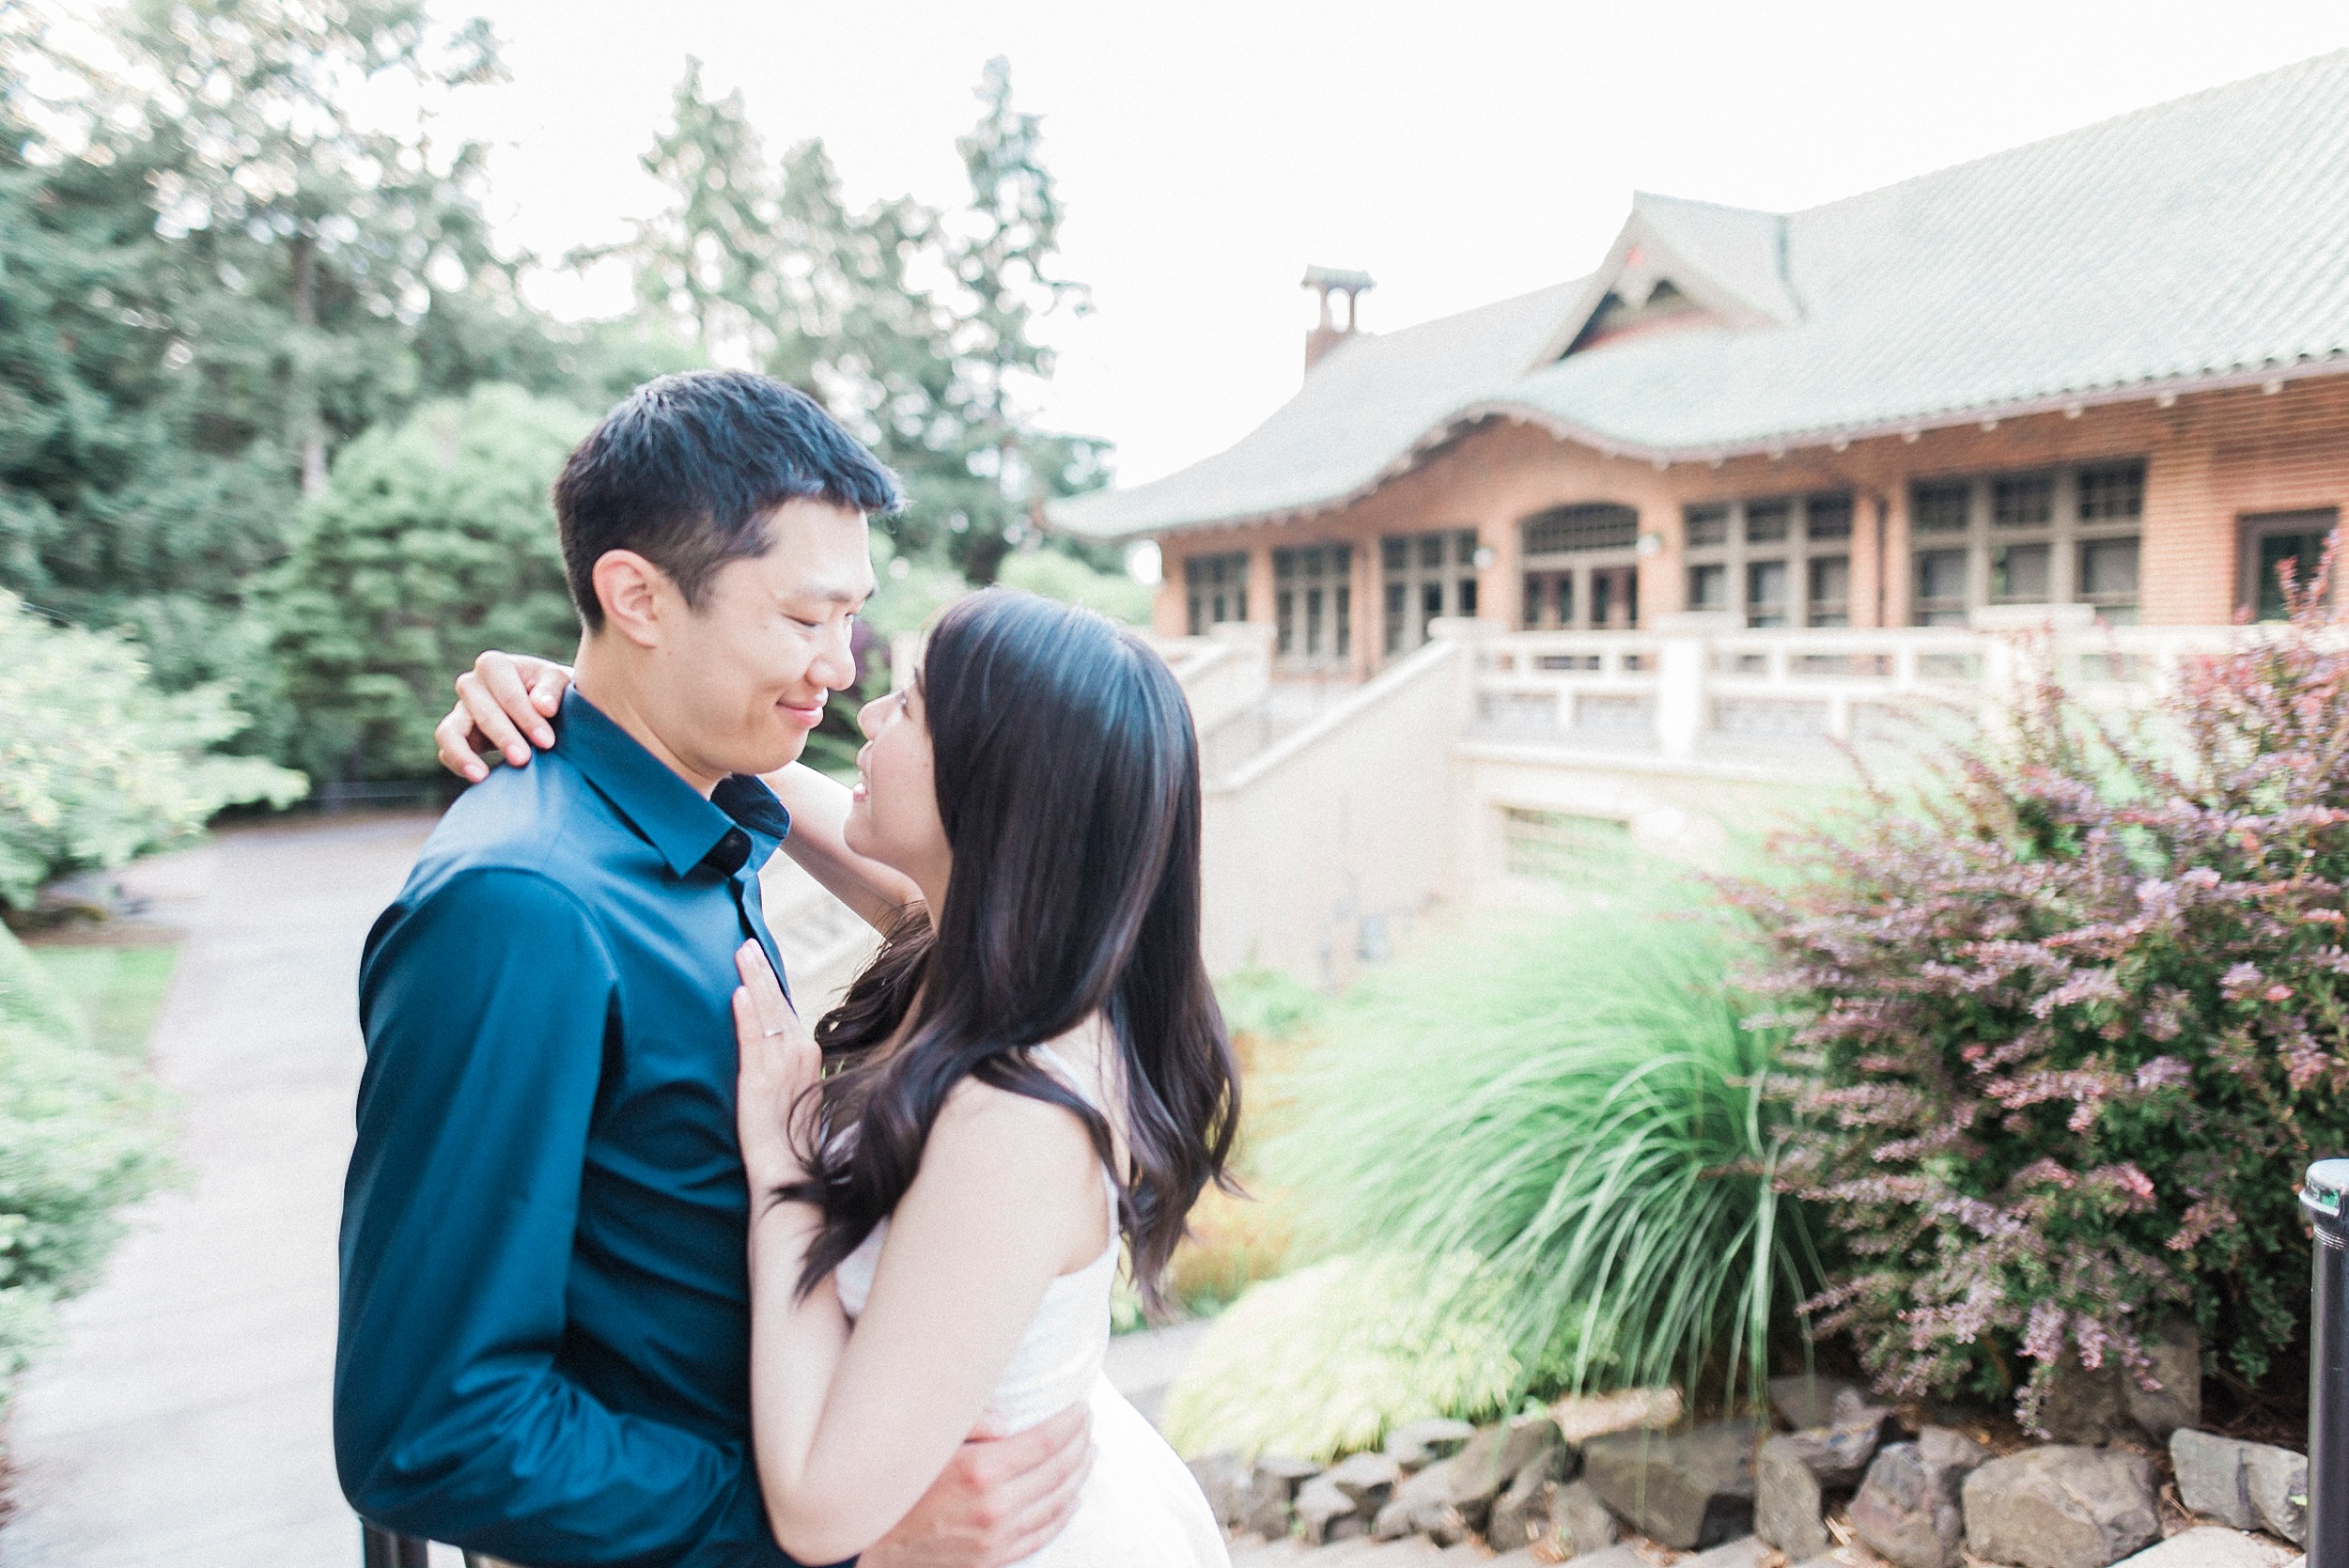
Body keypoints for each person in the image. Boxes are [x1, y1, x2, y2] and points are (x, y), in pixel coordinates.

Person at [336, 369, 1092, 1568]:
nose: (840, 667)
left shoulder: (707, 805)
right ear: (634, 593)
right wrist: (834, 1530)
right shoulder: (518, 909)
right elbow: (430, 1431)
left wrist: (581, 690)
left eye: (852, 618)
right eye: (802, 620)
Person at [438, 588, 1242, 1566]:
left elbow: (821, 1511)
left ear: (992, 795)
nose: (866, 710)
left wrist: (783, 1164)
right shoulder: (974, 945)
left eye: (911, 705)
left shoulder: (1018, 1112)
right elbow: (761, 786)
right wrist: (580, 699)